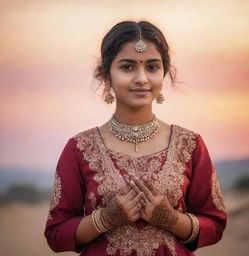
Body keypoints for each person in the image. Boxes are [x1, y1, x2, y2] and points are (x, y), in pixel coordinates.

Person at [44, 20, 227, 256]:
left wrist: (172, 220)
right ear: (106, 76)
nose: (141, 78)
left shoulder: (190, 145)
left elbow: (216, 225)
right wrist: (104, 219)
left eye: (152, 67)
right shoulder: (79, 148)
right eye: (127, 67)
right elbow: (56, 235)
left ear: (165, 73)